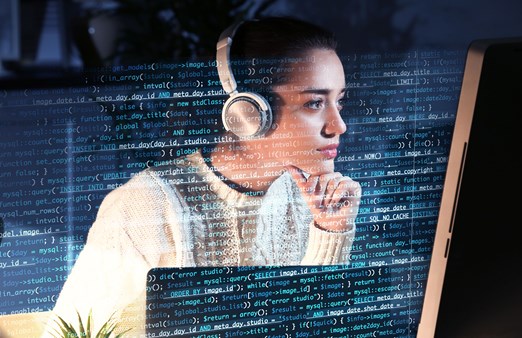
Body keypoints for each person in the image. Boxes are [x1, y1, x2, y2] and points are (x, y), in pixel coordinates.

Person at [42, 16, 361, 337]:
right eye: (315, 103)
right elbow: (64, 333)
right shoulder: (145, 204)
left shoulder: (311, 199)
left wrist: (331, 232)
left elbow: (312, 327)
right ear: (250, 110)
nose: (338, 125)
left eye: (340, 101)